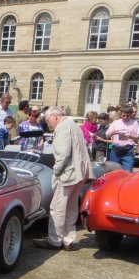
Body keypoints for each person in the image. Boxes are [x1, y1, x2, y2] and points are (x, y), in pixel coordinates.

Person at [33, 107, 94, 251]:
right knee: (71, 207)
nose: (48, 124)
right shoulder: (73, 125)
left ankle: (55, 240)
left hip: (68, 173)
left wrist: (56, 171)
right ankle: (67, 240)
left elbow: (63, 153)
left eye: (48, 121)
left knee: (58, 207)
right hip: (79, 172)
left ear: (54, 116)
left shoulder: (63, 126)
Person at [106, 104, 139, 171]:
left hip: (128, 150)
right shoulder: (115, 123)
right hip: (116, 150)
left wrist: (131, 136)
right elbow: (107, 135)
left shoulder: (134, 123)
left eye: (127, 116)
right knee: (113, 171)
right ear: (120, 114)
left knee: (128, 171)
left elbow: (138, 137)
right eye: (123, 115)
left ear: (131, 114)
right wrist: (112, 133)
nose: (125, 117)